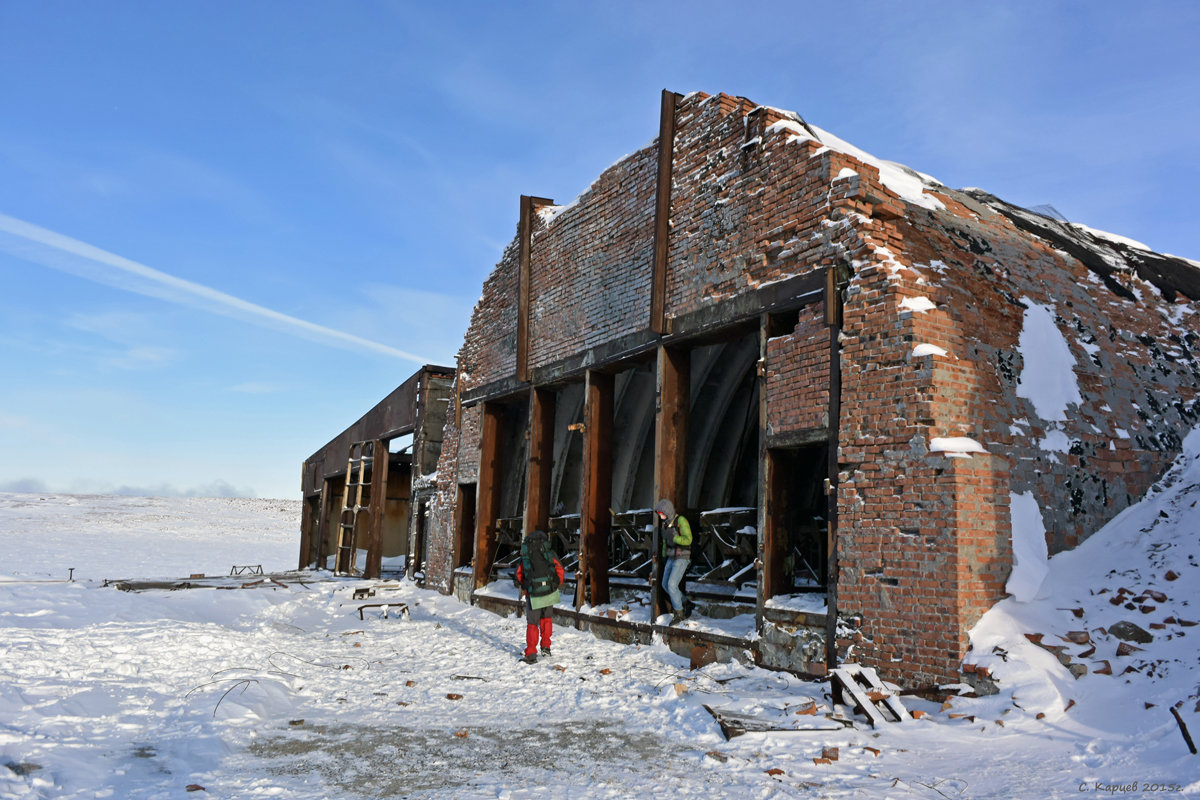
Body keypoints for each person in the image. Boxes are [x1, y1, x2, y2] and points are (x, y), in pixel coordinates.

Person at [514, 529, 565, 664]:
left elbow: (519, 574)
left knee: (532, 624)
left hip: (533, 593)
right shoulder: (549, 553)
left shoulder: (526, 554)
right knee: (546, 619)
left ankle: (531, 653)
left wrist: (526, 588)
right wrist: (554, 585)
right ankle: (546, 648)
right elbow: (560, 569)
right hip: (549, 591)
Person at [655, 498, 693, 623]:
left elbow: (688, 539)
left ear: (668, 511)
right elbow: (666, 542)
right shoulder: (665, 524)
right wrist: (664, 555)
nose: (661, 517)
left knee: (672, 585)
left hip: (682, 556)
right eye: (660, 515)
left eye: (662, 514)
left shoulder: (680, 521)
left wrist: (676, 538)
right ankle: (686, 602)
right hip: (671, 557)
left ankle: (679, 613)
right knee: (665, 585)